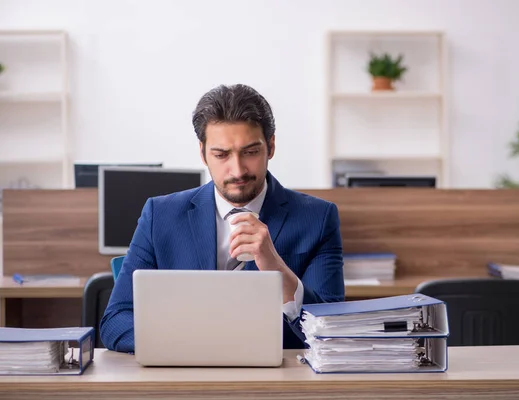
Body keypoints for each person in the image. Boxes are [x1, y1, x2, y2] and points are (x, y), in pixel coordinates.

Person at [100, 83, 345, 352]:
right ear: (203, 152)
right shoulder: (160, 215)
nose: (237, 170)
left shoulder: (318, 218)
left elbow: (332, 331)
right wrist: (195, 344)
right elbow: (115, 321)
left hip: (275, 384)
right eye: (221, 154)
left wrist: (276, 267)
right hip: (184, 380)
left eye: (250, 152)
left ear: (271, 147)